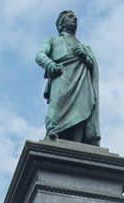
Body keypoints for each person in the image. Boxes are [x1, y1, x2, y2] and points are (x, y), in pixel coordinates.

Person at [35, 9, 100, 145]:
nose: (75, 19)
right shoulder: (52, 40)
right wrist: (50, 64)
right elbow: (40, 55)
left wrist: (84, 56)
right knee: (56, 106)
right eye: (70, 17)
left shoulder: (83, 47)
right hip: (62, 74)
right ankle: (53, 132)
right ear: (61, 24)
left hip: (81, 78)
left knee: (82, 109)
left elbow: (91, 65)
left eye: (75, 17)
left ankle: (79, 145)